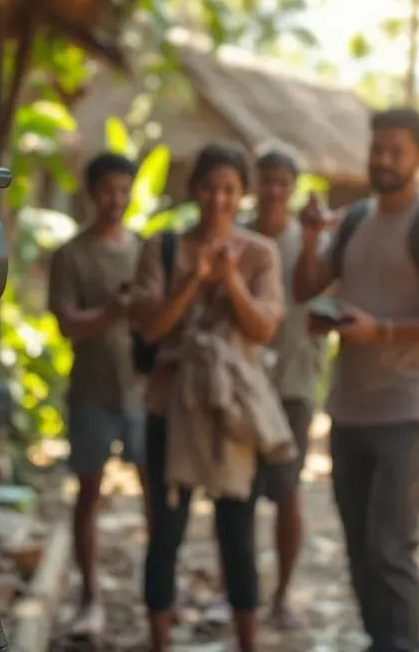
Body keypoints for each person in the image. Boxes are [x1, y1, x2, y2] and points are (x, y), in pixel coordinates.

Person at [292, 108, 419, 652]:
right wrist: (310, 241)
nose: (383, 160)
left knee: (390, 548)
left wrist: (384, 331)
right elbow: (306, 287)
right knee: (359, 548)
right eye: (377, 149)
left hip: (408, 410)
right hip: (348, 408)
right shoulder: (354, 221)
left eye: (396, 151)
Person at [129, 144, 292, 652]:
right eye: (209, 187)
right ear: (193, 189)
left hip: (233, 411)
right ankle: (160, 641)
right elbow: (151, 328)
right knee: (166, 532)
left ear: (242, 194)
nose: (218, 200)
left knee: (238, 534)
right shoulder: (163, 249)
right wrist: (195, 281)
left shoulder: (260, 253)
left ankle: (249, 642)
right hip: (170, 406)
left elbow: (264, 327)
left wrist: (231, 282)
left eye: (229, 190)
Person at [47, 152, 145, 637]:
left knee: (156, 493)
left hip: (142, 392)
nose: (116, 200)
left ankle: (156, 594)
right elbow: (68, 324)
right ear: (91, 192)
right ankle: (90, 597)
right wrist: (112, 312)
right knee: (88, 494)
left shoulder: (144, 249)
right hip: (91, 391)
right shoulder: (71, 255)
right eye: (108, 190)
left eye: (124, 190)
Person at [252, 149, 330, 629]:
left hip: (294, 382)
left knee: (286, 492)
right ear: (255, 183)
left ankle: (281, 596)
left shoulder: (310, 241)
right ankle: (237, 593)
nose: (275, 191)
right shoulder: (236, 236)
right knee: (235, 496)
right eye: (268, 180)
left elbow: (317, 299)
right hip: (241, 384)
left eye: (284, 182)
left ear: (294, 187)